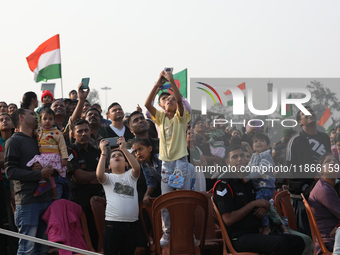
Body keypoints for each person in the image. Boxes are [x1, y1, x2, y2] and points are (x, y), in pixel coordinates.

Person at [213, 145, 305, 255]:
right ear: (228, 162)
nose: (239, 159)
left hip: (257, 232)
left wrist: (263, 207)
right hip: (238, 238)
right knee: (282, 243)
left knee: (298, 241)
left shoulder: (249, 181)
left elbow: (262, 201)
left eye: (242, 155)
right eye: (235, 157)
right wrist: (253, 204)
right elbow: (228, 219)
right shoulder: (223, 184)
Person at [145, 70, 191, 246]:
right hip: (166, 164)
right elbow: (147, 103)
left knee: (182, 199)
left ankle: (186, 231)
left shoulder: (181, 117)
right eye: (165, 100)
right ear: (162, 106)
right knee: (166, 199)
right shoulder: (160, 118)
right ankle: (167, 232)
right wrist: (158, 82)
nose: (169, 100)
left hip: (180, 161)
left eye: (171, 99)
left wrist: (171, 81)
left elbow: (179, 100)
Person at [5, 108, 54, 255]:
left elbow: (55, 163)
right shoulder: (13, 141)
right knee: (27, 249)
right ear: (21, 117)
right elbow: (10, 172)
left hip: (46, 199)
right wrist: (39, 175)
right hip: (27, 201)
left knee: (43, 249)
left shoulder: (39, 139)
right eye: (31, 114)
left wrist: (46, 169)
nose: (36, 116)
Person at [286, 106, 331, 235]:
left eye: (311, 112)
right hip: (303, 196)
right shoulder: (295, 141)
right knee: (308, 235)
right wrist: (306, 187)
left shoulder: (325, 138)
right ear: (300, 122)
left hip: (325, 190)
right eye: (305, 114)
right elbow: (290, 170)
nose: (310, 114)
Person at [96, 137, 140, 255]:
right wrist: (104, 152)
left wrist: (124, 149)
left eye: (120, 156)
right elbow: (99, 175)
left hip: (132, 225)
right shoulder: (108, 178)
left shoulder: (130, 176)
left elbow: (137, 167)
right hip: (113, 225)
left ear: (126, 163)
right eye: (113, 156)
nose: (116, 156)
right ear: (109, 166)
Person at [67, 119, 103, 250]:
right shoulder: (70, 150)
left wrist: (89, 178)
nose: (84, 134)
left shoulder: (96, 151)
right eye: (80, 131)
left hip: (98, 200)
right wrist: (98, 175)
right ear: (73, 134)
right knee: (81, 240)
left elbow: (105, 176)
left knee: (96, 237)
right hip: (79, 201)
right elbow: (78, 176)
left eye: (86, 130)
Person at [26, 108, 68, 199]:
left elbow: (62, 146)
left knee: (50, 175)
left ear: (54, 121)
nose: (47, 121)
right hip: (43, 156)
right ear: (40, 120)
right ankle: (49, 190)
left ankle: (52, 193)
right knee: (48, 176)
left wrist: (64, 158)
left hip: (54, 157)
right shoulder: (38, 131)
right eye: (45, 119)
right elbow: (28, 133)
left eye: (50, 119)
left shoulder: (57, 133)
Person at [244, 133, 275, 235]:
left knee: (260, 203)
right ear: (252, 146)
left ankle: (265, 227)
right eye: (256, 141)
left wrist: (247, 177)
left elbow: (261, 170)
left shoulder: (266, 155)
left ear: (268, 145)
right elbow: (248, 168)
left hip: (265, 187)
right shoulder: (254, 156)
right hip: (257, 187)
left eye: (261, 140)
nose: (258, 143)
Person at [308, 153, 340, 254]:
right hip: (330, 242)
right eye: (328, 162)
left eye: (335, 161)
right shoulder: (324, 190)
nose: (333, 163)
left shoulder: (332, 185)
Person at [132, 137, 161, 205]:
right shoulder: (144, 164)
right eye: (135, 151)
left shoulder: (160, 159)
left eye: (140, 149)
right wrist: (147, 195)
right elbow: (151, 182)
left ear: (149, 148)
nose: (138, 153)